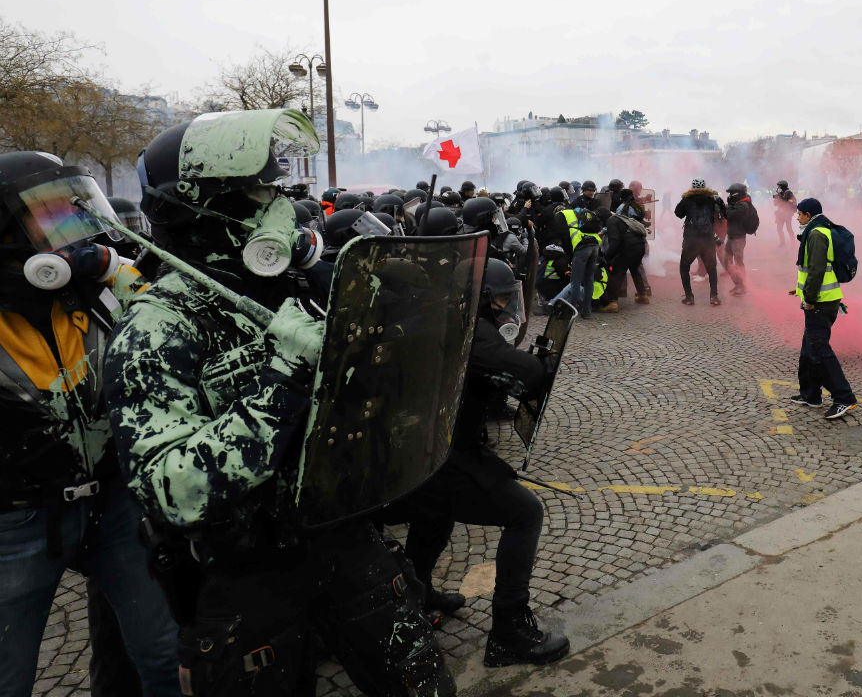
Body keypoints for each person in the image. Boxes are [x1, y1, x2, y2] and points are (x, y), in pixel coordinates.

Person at [104, 110, 455, 696]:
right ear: (199, 209)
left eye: (279, 189)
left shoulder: (293, 283)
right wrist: (282, 378)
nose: (282, 208)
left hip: (343, 534)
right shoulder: (159, 326)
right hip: (246, 569)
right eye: (261, 193)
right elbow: (173, 488)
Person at [0, 151, 180, 697]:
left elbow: (168, 317)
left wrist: (109, 266)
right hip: (17, 518)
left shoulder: (91, 294)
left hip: (114, 504)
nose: (74, 232)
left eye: (77, 212)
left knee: (166, 654)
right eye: (53, 216)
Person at [391, 259, 570, 667]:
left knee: (433, 513)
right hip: (442, 452)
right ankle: (509, 631)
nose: (507, 304)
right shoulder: (471, 331)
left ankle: (418, 591)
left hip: (419, 446)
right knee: (525, 512)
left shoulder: (440, 311)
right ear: (484, 297)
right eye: (504, 296)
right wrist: (538, 364)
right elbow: (525, 369)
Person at [786, 198, 857, 420]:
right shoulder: (819, 229)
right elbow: (812, 270)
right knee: (809, 347)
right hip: (820, 297)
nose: (797, 217)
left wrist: (809, 297)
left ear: (808, 215)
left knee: (819, 349)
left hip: (821, 301)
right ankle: (811, 394)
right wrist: (799, 289)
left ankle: (844, 397)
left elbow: (817, 270)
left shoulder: (816, 234)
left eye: (799, 214)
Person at [599, 189, 649, 312]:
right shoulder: (636, 206)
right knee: (635, 269)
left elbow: (615, 240)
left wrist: (607, 256)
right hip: (639, 244)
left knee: (617, 271)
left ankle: (613, 303)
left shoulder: (617, 213)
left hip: (628, 246)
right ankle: (643, 296)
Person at [674, 178, 722, 306]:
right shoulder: (711, 199)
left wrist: (684, 201)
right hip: (708, 239)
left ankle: (689, 297)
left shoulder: (687, 199)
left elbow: (678, 213)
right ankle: (714, 297)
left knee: (684, 267)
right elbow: (720, 213)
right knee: (712, 269)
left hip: (691, 239)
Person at [723, 182, 758, 296]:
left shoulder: (743, 205)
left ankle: (742, 286)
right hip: (732, 236)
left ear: (737, 193)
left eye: (731, 193)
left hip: (738, 238)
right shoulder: (737, 203)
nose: (730, 195)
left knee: (738, 263)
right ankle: (738, 284)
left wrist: (726, 207)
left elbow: (729, 215)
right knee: (726, 261)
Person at [772, 180, 796, 246]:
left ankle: (793, 243)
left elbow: (788, 202)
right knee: (779, 229)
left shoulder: (789, 193)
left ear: (782, 186)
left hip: (787, 214)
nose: (778, 188)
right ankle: (782, 243)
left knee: (789, 229)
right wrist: (777, 199)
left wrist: (779, 198)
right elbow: (776, 204)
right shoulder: (782, 193)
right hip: (781, 214)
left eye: (779, 186)